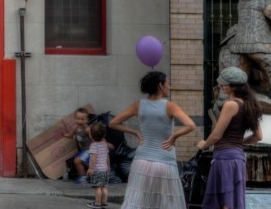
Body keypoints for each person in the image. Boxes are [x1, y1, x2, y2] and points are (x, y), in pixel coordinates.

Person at [110, 71, 196, 209]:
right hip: (164, 160)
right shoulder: (170, 106)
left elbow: (113, 123)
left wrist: (135, 132)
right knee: (166, 202)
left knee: (139, 200)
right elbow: (191, 125)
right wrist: (174, 136)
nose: (170, 86)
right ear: (160, 86)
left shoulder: (139, 105)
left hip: (141, 160)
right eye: (167, 83)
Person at [196, 66, 263, 209]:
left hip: (224, 158)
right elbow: (258, 136)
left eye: (223, 83)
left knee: (223, 203)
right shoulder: (250, 105)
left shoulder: (230, 104)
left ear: (233, 87)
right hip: (238, 158)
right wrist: (239, 143)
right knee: (232, 200)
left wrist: (204, 144)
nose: (220, 86)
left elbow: (216, 135)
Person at [63, 107, 92, 184]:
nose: (80, 121)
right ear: (75, 119)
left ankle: (83, 178)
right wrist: (64, 135)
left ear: (87, 119)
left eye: (82, 119)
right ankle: (90, 175)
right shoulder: (76, 127)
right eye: (78, 119)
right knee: (82, 162)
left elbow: (94, 139)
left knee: (77, 161)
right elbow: (70, 135)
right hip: (83, 150)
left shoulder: (87, 129)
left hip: (89, 149)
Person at [87, 120, 111, 209]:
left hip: (97, 170)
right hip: (105, 170)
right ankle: (104, 202)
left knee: (98, 187)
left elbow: (93, 158)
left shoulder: (94, 145)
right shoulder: (104, 144)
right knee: (104, 187)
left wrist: (90, 168)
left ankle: (97, 203)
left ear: (91, 135)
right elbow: (107, 156)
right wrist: (108, 166)